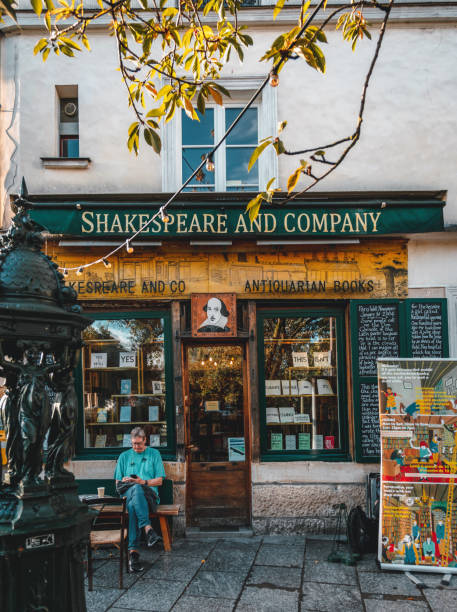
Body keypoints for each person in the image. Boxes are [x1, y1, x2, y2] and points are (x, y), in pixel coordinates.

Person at [114, 427, 166, 572]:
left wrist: (143, 482)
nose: (136, 447)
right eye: (133, 444)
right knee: (134, 491)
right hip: (128, 493)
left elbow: (160, 480)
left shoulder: (154, 454)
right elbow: (117, 484)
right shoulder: (124, 456)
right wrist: (126, 480)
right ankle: (148, 530)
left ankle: (133, 554)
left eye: (139, 443)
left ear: (145, 441)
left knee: (132, 505)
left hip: (149, 496)